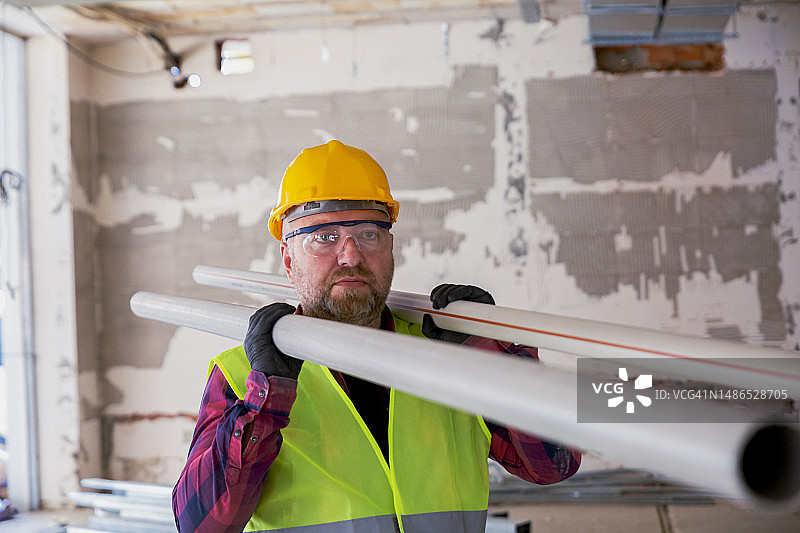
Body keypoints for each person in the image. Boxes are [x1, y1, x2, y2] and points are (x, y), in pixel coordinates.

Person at [172, 140, 581, 532]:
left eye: (369, 234)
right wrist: (264, 402)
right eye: (324, 238)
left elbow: (554, 465)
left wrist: (496, 359)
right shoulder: (243, 375)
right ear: (288, 259)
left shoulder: (448, 352)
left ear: (390, 247)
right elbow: (199, 524)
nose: (351, 255)